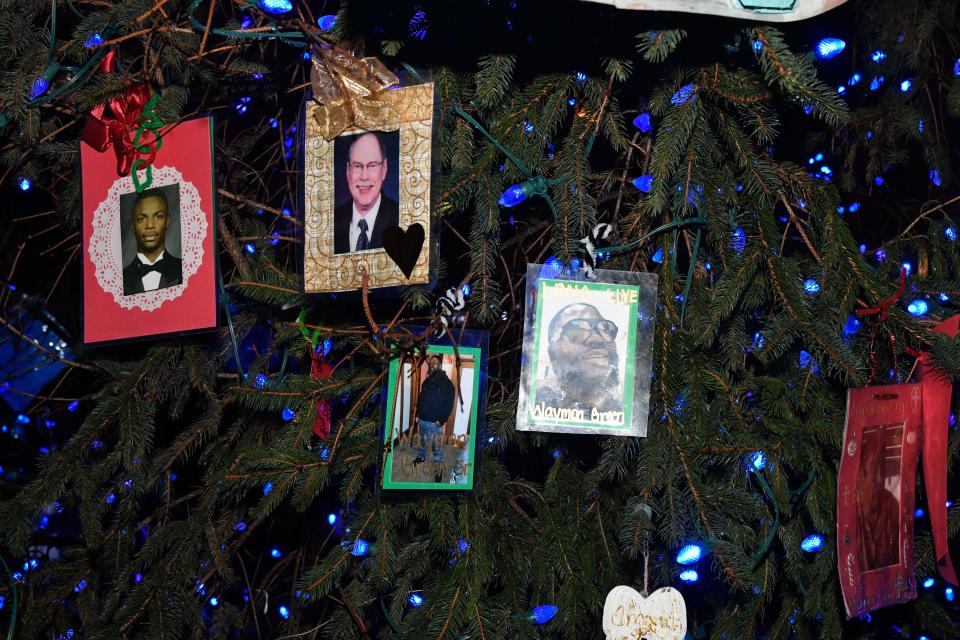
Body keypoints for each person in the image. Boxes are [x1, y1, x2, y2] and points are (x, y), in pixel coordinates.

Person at [537, 303, 622, 414]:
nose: (598, 339)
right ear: (553, 354)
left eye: (606, 328)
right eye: (577, 331)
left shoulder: (627, 412)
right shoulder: (537, 407)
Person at [333, 132, 399, 254]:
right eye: (357, 166)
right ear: (348, 171)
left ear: (384, 169)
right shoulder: (331, 221)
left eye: (372, 165)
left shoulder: (401, 217)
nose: (364, 177)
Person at [122, 187, 182, 296]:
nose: (150, 225)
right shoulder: (120, 279)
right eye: (141, 218)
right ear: (132, 225)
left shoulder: (185, 269)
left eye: (158, 216)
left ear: (167, 221)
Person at [413, 354, 456, 482]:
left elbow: (449, 404)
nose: (432, 364)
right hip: (423, 420)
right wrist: (417, 415)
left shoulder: (447, 384)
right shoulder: (426, 382)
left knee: (437, 447)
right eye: (431, 363)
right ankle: (421, 457)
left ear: (440, 365)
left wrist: (441, 420)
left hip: (435, 422)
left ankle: (438, 468)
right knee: (423, 441)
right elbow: (421, 399)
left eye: (435, 362)